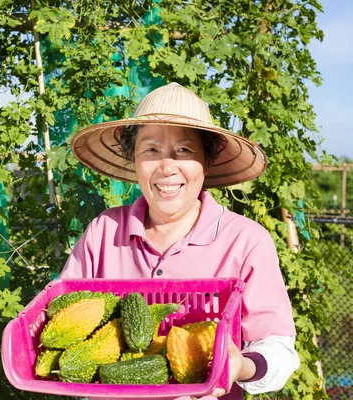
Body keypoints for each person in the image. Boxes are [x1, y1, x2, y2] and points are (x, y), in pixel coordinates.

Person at [59, 82, 300, 399]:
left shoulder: (245, 241)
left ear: (206, 160)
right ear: (134, 159)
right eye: (151, 150)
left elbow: (279, 349)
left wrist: (242, 365)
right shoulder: (104, 232)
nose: (167, 166)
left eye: (184, 150)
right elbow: (62, 317)